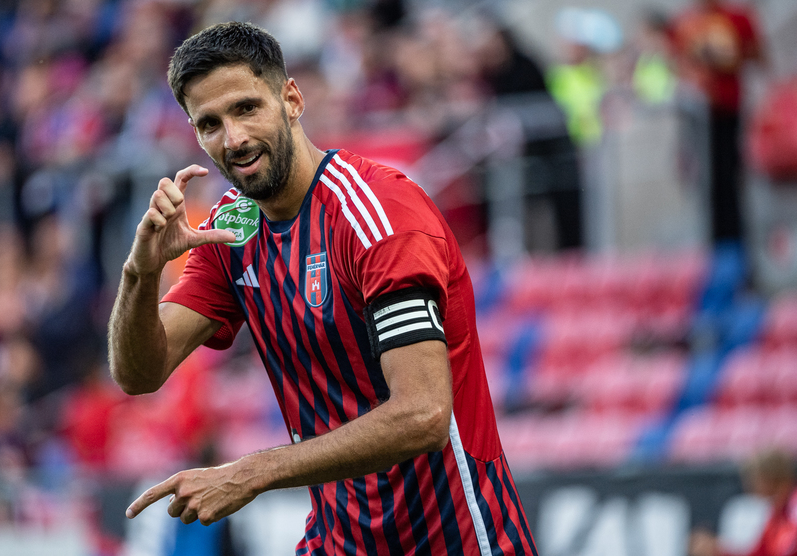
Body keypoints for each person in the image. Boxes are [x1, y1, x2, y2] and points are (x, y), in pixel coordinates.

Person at [107, 21, 537, 555]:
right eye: (210, 124)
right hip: (338, 541)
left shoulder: (378, 215)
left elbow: (423, 414)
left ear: (291, 99)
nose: (233, 139)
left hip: (456, 541)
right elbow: (139, 373)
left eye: (246, 108)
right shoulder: (232, 228)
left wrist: (252, 472)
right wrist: (140, 273)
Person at [671, 0, 765, 245]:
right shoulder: (685, 23)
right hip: (698, 116)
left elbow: (757, 56)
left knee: (729, 182)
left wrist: (724, 55)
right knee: (704, 183)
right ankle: (714, 245)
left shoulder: (736, 19)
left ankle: (733, 246)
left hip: (727, 113)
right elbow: (678, 65)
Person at [690, 449, 797, 556]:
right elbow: (760, 552)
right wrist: (719, 550)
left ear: (769, 477)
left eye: (753, 478)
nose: (748, 485)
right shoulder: (777, 513)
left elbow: (790, 549)